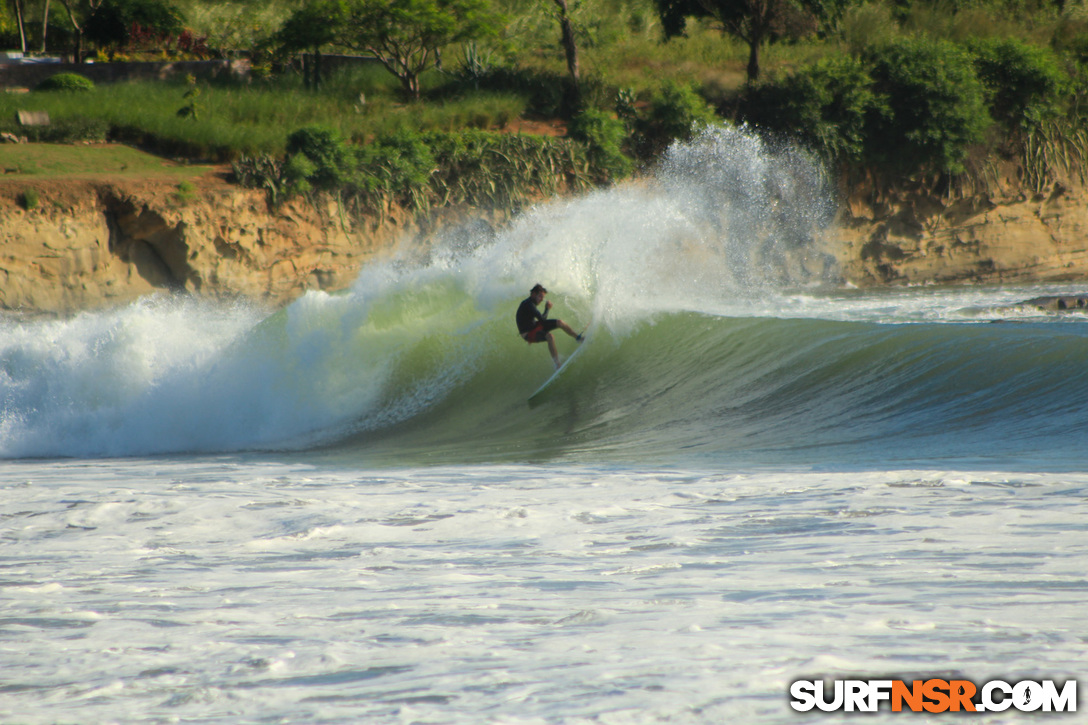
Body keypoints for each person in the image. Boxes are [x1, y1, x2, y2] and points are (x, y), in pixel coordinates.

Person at [516, 283, 583, 369]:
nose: (541, 299)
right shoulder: (529, 305)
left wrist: (546, 310)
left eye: (543, 297)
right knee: (550, 337)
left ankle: (578, 338)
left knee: (560, 322)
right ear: (533, 294)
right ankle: (557, 364)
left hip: (535, 326)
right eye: (540, 296)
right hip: (528, 334)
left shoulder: (531, 303)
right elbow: (543, 320)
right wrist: (547, 308)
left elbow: (541, 320)